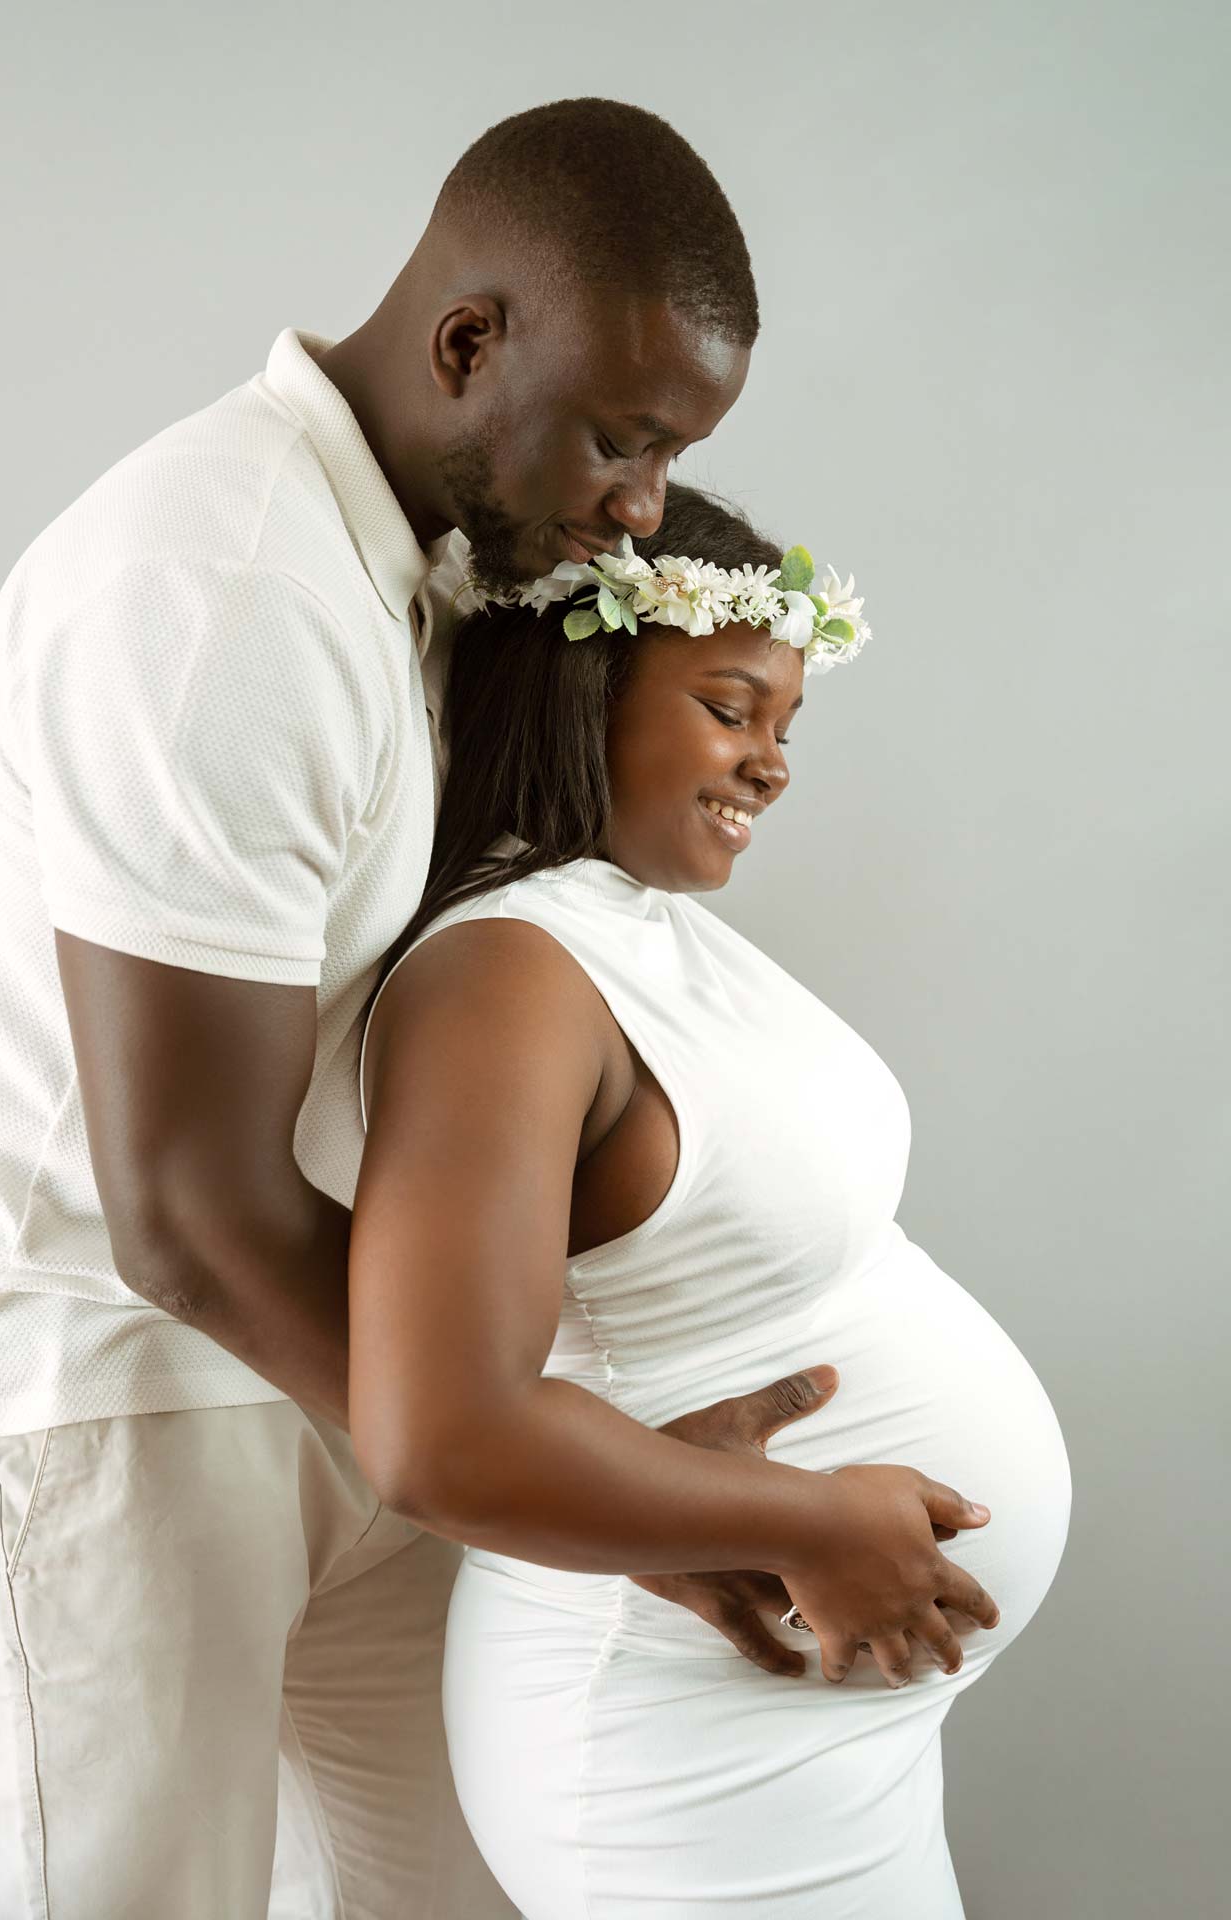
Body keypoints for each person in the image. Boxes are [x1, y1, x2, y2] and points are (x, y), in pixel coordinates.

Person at [0, 99, 803, 1919]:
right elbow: (186, 1216)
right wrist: (598, 1493)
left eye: (672, 455)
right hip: (125, 1404)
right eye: (624, 439)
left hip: (343, 1371)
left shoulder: (413, 569)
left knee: (462, 1888)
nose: (643, 509)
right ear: (468, 342)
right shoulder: (223, 592)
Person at [350, 484, 1073, 1918]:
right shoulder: (502, 975)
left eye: (789, 726)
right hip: (675, 1737)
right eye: (733, 709)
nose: (773, 765)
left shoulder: (629, 925)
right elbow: (439, 1436)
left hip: (813, 1720)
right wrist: (804, 1522)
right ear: (584, 689)